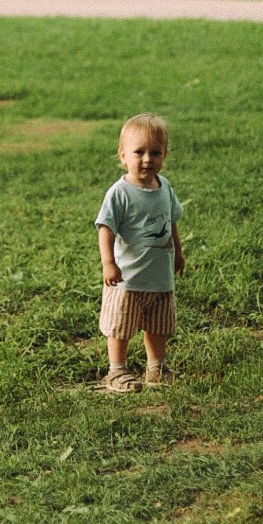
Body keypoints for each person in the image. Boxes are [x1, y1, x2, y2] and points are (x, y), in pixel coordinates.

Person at [95, 114, 185, 394]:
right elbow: (105, 228)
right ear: (123, 155)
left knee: (157, 327)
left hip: (159, 276)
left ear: (165, 155)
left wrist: (179, 253)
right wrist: (108, 263)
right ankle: (117, 371)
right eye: (139, 152)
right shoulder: (120, 193)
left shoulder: (164, 187)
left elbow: (171, 222)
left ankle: (156, 367)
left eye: (155, 153)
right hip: (128, 278)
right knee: (120, 327)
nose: (147, 159)